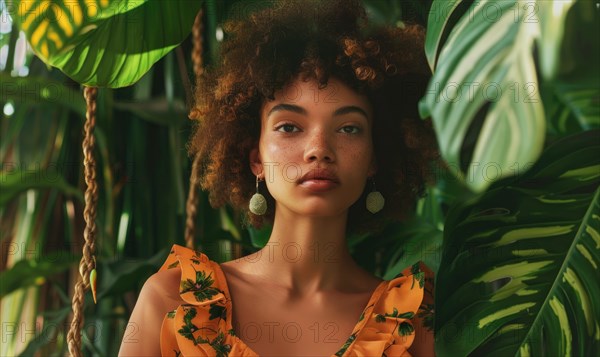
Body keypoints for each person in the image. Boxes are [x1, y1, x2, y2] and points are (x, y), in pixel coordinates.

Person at [119, 0, 438, 356]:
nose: (318, 149)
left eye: (349, 128)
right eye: (289, 127)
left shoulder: (410, 322)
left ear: (375, 158)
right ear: (255, 157)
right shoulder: (172, 301)